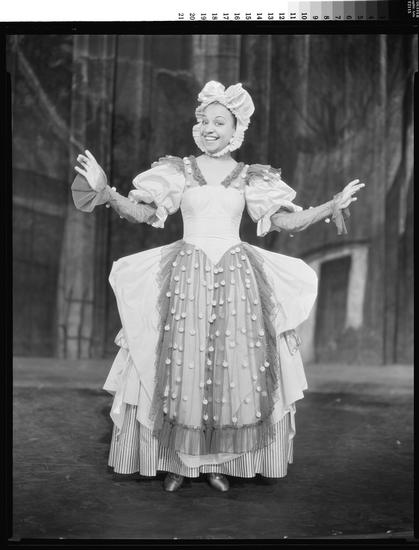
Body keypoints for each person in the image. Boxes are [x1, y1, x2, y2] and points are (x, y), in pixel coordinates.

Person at [72, 81, 364, 492]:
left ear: (235, 129)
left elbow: (282, 221)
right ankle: (178, 461)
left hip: (235, 276)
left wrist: (330, 207)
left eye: (219, 122)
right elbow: (143, 213)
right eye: (204, 121)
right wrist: (105, 191)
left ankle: (217, 462)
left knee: (233, 367)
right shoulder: (178, 171)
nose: (209, 128)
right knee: (181, 363)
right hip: (185, 275)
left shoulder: (250, 177)